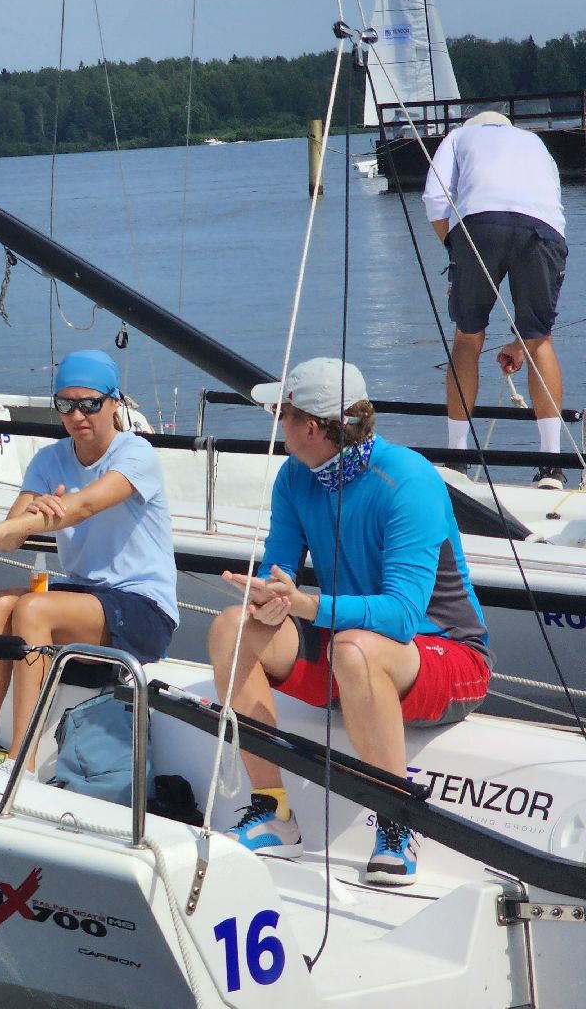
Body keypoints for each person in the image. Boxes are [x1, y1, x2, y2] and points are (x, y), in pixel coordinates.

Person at [210, 358, 491, 886]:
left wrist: (310, 607)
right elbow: (282, 567)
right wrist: (270, 596)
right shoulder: (295, 476)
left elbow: (405, 615)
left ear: (310, 427)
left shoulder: (407, 479)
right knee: (231, 626)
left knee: (356, 648)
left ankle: (398, 822)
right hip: (352, 650)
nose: (276, 422)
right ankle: (272, 812)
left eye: (281, 413)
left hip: (450, 656)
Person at [0, 350, 178, 774]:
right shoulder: (49, 459)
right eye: (66, 404)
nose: (78, 415)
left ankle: (22, 762)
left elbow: (85, 505)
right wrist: (17, 522)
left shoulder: (136, 454)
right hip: (86, 596)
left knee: (33, 607)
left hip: (143, 606)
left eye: (90, 404)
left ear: (115, 403)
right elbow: (13, 533)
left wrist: (28, 519)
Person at [422, 110, 568, 488]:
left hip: (479, 224)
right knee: (540, 342)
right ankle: (551, 467)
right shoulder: (535, 142)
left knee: (468, 338)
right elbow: (554, 207)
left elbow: (435, 198)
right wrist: (522, 341)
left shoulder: (457, 137)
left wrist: (456, 250)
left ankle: (457, 460)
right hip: (545, 229)